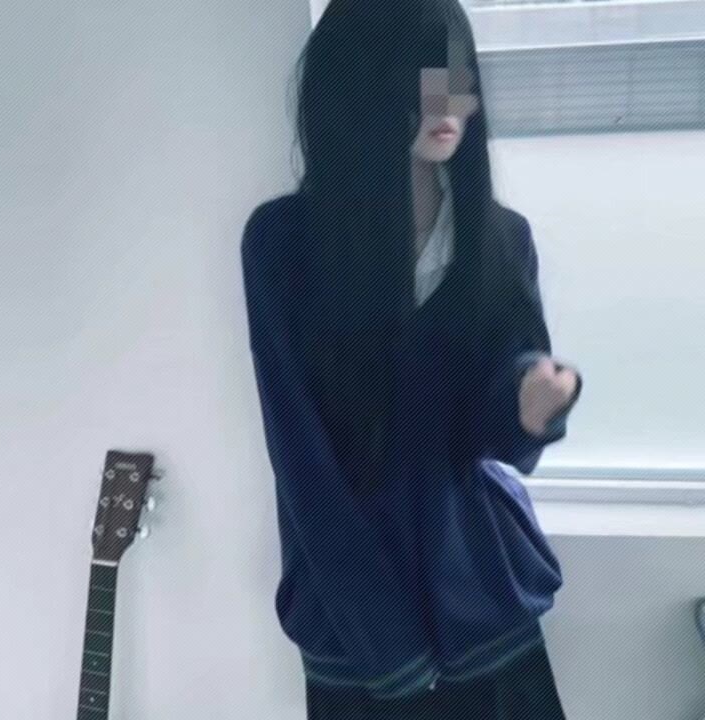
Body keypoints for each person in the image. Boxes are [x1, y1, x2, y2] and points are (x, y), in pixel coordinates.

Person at [241, 0, 583, 717]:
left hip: (483, 601)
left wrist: (529, 409)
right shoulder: (283, 246)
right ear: (359, 83)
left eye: (457, 75)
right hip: (353, 618)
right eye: (422, 75)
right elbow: (303, 465)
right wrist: (387, 650)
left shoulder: (500, 240)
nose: (447, 99)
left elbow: (497, 442)